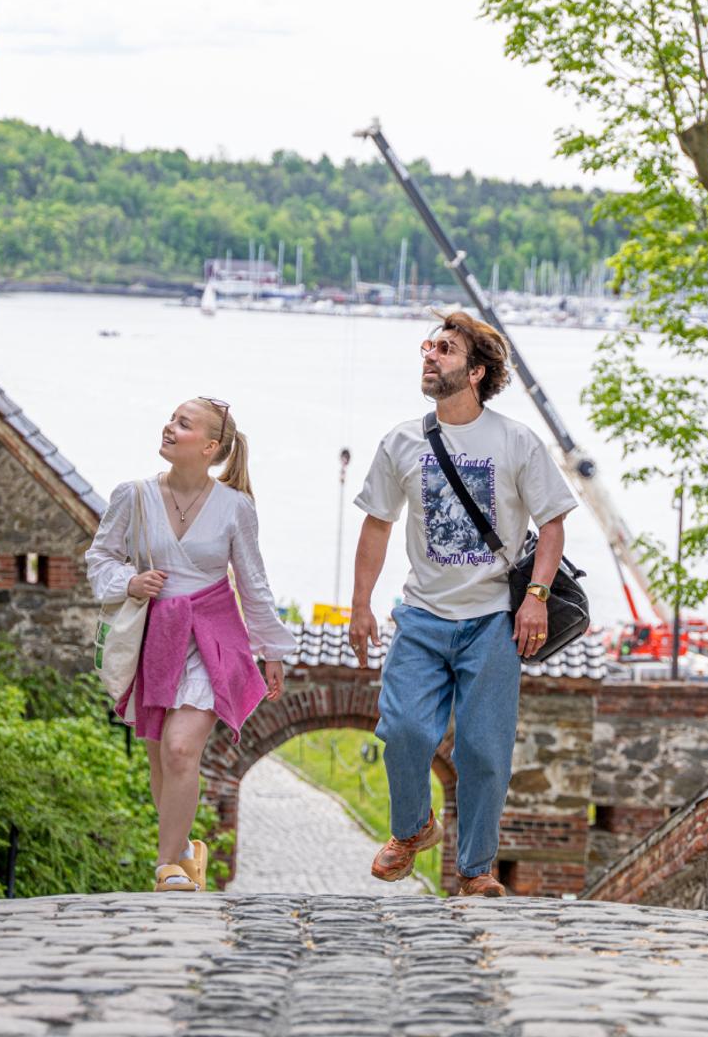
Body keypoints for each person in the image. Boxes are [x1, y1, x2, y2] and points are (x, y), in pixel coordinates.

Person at [349, 312, 578, 897]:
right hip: (422, 617)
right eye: (428, 347)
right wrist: (360, 605)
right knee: (402, 729)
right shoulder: (401, 441)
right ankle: (413, 829)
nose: (430, 356)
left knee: (483, 751)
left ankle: (476, 871)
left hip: (494, 624)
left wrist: (535, 598)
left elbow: (551, 524)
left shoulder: (515, 441)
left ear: (475, 372)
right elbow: (376, 526)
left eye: (445, 350)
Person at [87, 397, 292, 892]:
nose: (169, 427)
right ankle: (184, 851)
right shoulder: (131, 496)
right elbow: (101, 557)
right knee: (161, 759)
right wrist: (130, 583)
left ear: (210, 447)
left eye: (183, 423)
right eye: (171, 418)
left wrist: (272, 651)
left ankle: (166, 868)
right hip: (157, 638)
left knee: (181, 749)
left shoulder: (235, 507)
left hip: (212, 636)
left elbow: (253, 582)